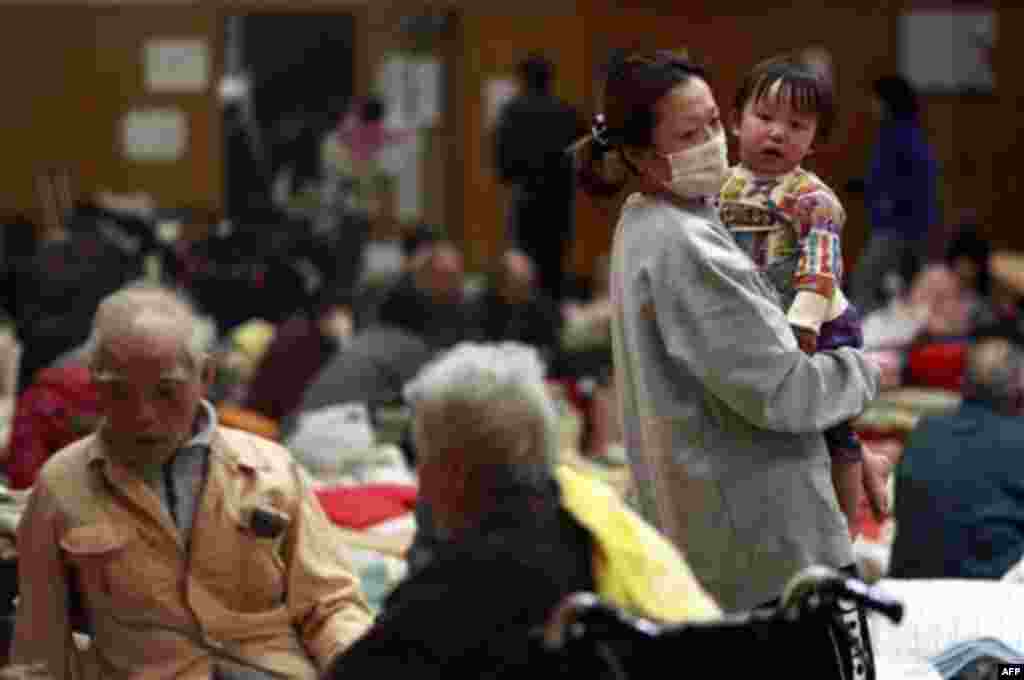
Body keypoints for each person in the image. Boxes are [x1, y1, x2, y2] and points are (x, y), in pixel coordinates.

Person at [573, 50, 889, 678]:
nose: (713, 143)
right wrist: (863, 371)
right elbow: (786, 392)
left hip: (733, 539)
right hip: (771, 558)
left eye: (714, 123)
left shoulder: (663, 219)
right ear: (638, 153)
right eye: (691, 135)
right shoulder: (682, 243)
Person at [11, 283, 372, 679]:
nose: (143, 415)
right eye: (119, 392)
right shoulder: (62, 484)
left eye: (166, 391)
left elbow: (331, 604)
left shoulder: (272, 469)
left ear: (205, 375)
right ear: (94, 383)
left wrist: (357, 665)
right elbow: (39, 648)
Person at [325, 341, 721, 678]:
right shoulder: (589, 516)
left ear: (454, 473)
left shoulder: (461, 592)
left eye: (425, 459)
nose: (420, 479)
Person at [718, 54, 864, 536]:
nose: (777, 133)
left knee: (834, 432)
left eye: (796, 125)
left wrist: (803, 323)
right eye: (764, 118)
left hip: (817, 322)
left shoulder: (815, 200)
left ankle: (847, 533)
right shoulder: (716, 189)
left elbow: (821, 268)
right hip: (750, 316)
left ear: (814, 140)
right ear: (736, 121)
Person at [889, 326, 1024, 580]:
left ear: (961, 381)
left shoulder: (924, 431)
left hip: (911, 595)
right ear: (1019, 385)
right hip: (996, 599)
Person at [494, 54, 586, 302]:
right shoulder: (567, 112)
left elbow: (502, 166)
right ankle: (551, 324)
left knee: (522, 270)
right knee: (553, 271)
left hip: (525, 200)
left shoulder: (511, 112)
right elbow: (585, 156)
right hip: (558, 203)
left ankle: (523, 325)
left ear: (523, 79)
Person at [848, 75, 941, 315]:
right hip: (904, 223)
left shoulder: (901, 134)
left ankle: (862, 333)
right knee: (899, 285)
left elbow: (914, 179)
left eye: (875, 100)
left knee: (865, 280)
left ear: (887, 102)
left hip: (900, 225)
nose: (872, 106)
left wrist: (889, 201)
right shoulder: (896, 133)